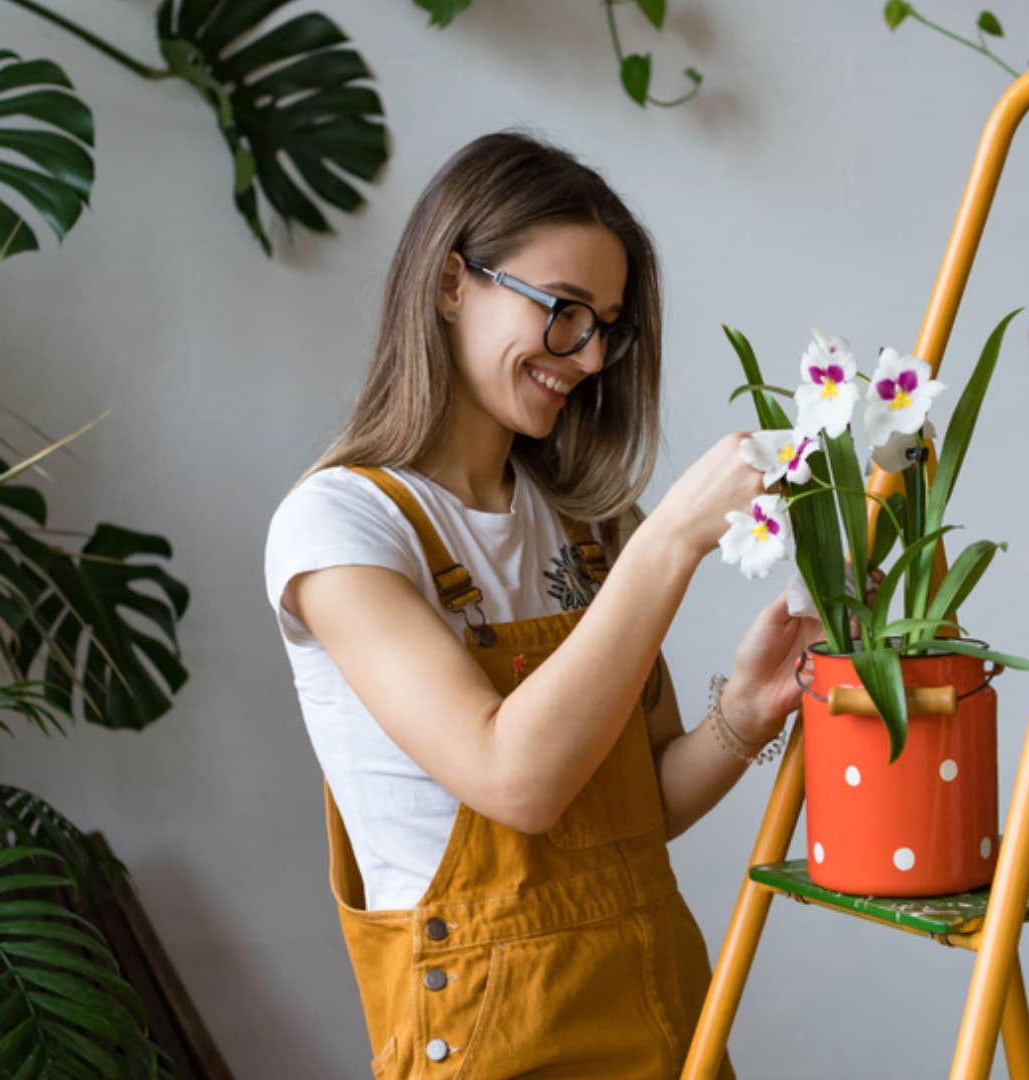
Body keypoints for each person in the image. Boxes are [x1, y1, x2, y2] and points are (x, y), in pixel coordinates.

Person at [263, 130, 820, 1078]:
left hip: (662, 1011)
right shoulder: (339, 528)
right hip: (494, 1040)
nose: (590, 356)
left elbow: (640, 804)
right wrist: (675, 538)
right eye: (564, 311)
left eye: (607, 324)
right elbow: (515, 781)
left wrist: (746, 712)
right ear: (450, 284)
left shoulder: (588, 524)